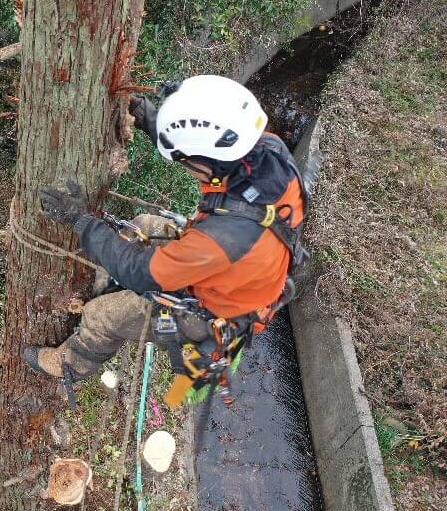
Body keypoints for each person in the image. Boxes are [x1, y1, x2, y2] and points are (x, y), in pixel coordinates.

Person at [23, 75, 307, 382]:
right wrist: (142, 111)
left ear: (208, 163)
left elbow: (143, 273)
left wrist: (80, 222)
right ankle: (102, 285)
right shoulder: (265, 148)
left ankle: (72, 366)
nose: (184, 167)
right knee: (141, 225)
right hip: (242, 271)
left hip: (214, 311)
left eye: (185, 162)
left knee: (102, 315)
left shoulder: (221, 239)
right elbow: (198, 138)